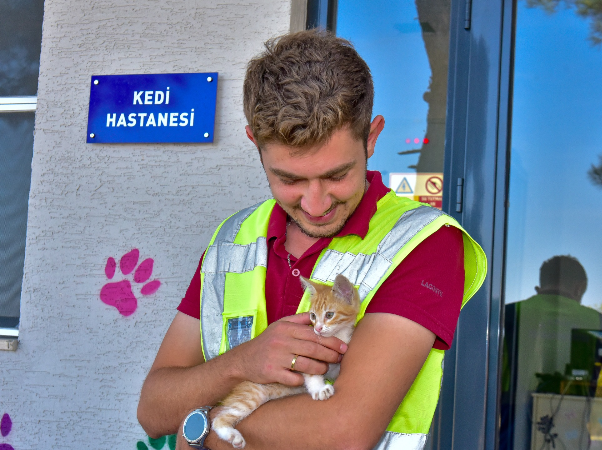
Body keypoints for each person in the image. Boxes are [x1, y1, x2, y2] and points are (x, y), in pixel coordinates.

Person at [137, 30, 486, 450]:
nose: (315, 203)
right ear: (255, 143)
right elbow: (153, 409)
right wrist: (242, 363)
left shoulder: (425, 242)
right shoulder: (233, 238)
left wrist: (205, 430)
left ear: (372, 137)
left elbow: (344, 430)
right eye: (289, 179)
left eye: (336, 175)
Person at [499, 255, 602, 450]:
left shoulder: (507, 316)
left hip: (513, 432)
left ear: (542, 283)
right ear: (579, 287)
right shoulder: (601, 324)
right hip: (570, 431)